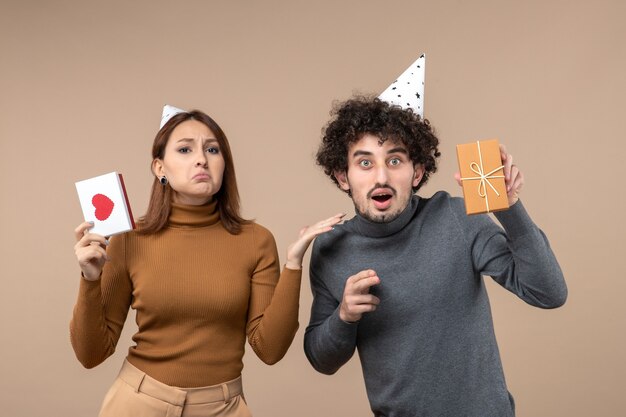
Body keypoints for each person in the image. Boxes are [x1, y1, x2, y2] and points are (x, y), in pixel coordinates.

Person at [303, 96, 567, 417]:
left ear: (417, 172)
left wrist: (509, 208)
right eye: (365, 163)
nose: (381, 177)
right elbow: (321, 360)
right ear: (343, 176)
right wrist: (344, 316)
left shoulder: (456, 218)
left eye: (395, 160)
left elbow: (548, 292)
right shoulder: (332, 248)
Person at [71, 108, 344, 417]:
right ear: (160, 167)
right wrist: (90, 279)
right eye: (185, 149)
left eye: (212, 149)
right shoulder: (128, 240)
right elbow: (90, 354)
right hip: (138, 403)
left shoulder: (256, 240)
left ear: (224, 165)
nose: (201, 159)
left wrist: (293, 263)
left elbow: (270, 350)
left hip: (223, 407)